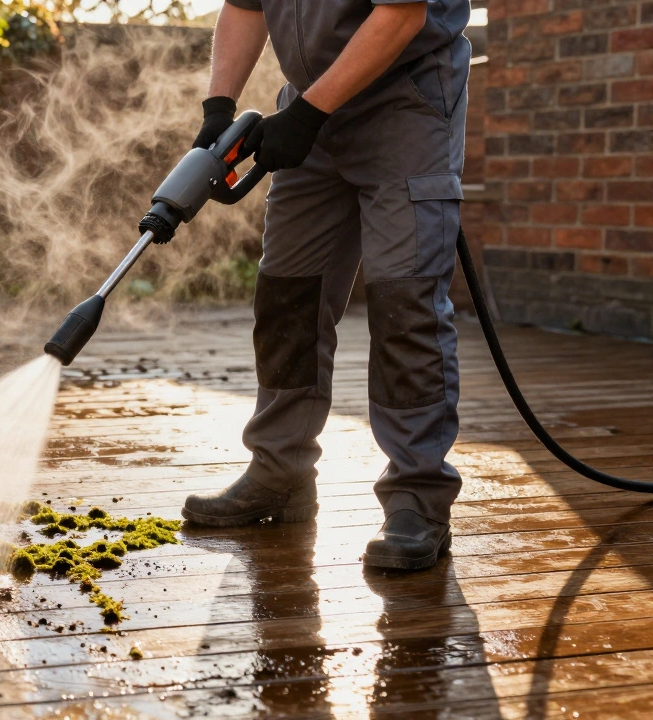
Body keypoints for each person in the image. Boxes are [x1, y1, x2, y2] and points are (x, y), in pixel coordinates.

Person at [180, 0, 472, 571]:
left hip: (406, 103)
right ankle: (279, 473)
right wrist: (219, 106)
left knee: (403, 301)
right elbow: (243, 7)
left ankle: (418, 498)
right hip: (309, 108)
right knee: (287, 294)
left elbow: (401, 15)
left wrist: (309, 114)